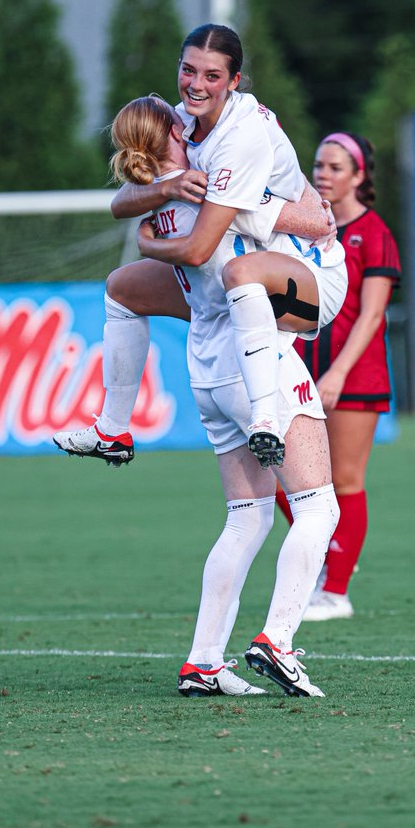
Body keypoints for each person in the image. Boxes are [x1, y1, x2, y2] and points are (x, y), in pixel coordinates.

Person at [105, 95, 340, 697]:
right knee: (317, 509)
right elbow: (316, 223)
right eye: (175, 114)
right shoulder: (211, 184)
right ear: (170, 135)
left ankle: (203, 662)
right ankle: (277, 642)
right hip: (254, 357)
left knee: (248, 516)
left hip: (207, 368)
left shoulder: (158, 198)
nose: (188, 112)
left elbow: (129, 209)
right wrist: (288, 201)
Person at [54, 23, 337, 469]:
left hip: (306, 275)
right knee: (122, 288)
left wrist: (150, 244)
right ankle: (112, 427)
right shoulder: (183, 122)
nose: (195, 85)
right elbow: (120, 203)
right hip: (231, 292)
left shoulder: (238, 138)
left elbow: (303, 224)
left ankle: (265, 414)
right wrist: (167, 189)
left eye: (211, 76)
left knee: (310, 508)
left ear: (233, 82)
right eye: (188, 71)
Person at [285, 132, 401, 623]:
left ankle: (335, 590)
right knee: (282, 477)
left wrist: (335, 373)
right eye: (319, 165)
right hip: (299, 367)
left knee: (346, 481)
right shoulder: (302, 225)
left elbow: (373, 315)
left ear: (359, 176)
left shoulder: (374, 232)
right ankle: (317, 564)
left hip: (353, 374)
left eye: (335, 167)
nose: (323, 175)